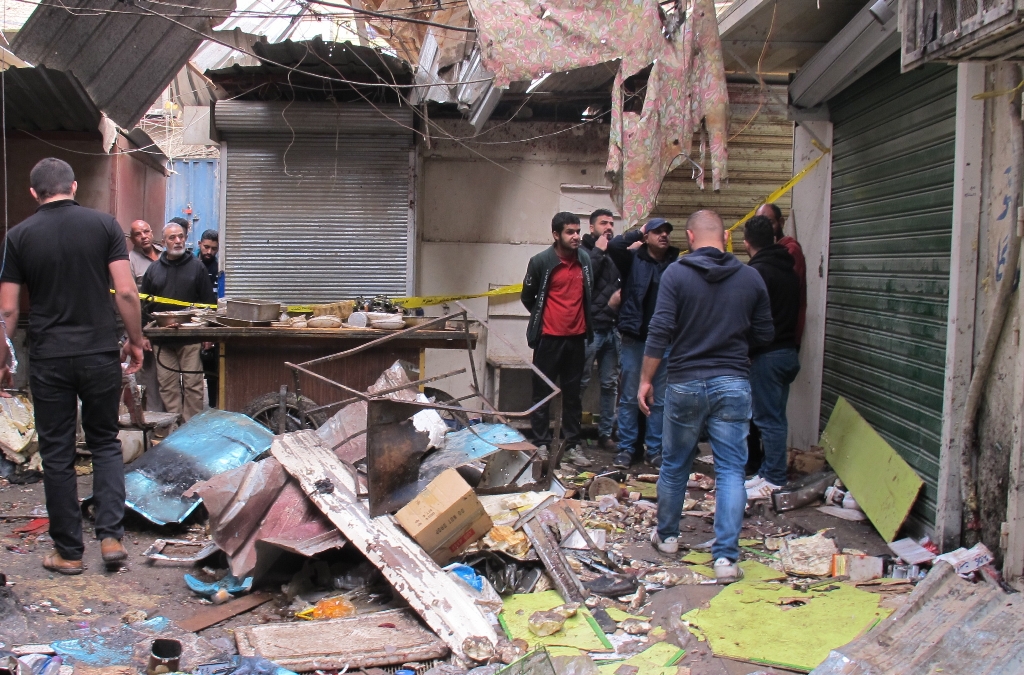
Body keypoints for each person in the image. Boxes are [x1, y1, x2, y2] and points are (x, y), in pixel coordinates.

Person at [0, 158, 146, 575]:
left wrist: (3, 360)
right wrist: (135, 341)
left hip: (49, 359)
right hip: (100, 353)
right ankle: (111, 538)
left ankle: (69, 552)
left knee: (58, 453)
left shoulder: (18, 237)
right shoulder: (104, 226)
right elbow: (127, 292)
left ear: (34, 193)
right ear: (74, 186)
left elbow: (7, 311)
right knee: (104, 443)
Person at [641, 210, 773, 584]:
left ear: (690, 236)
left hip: (683, 382)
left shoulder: (676, 274)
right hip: (732, 382)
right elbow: (764, 334)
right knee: (731, 470)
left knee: (675, 463)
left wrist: (645, 381)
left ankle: (667, 538)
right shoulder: (751, 278)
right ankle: (726, 560)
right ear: (727, 237)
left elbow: (660, 330)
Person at [521, 212, 594, 467]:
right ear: (556, 235)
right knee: (542, 394)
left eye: (577, 231)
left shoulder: (584, 260)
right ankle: (540, 444)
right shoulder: (541, 261)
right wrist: (546, 319)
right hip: (549, 339)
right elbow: (528, 297)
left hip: (576, 340)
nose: (576, 237)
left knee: (573, 396)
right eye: (570, 232)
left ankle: (573, 446)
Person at [607, 218, 680, 469]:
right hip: (635, 338)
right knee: (628, 397)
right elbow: (615, 245)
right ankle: (627, 448)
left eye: (666, 232)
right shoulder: (633, 260)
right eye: (657, 231)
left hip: (664, 342)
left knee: (658, 399)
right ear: (647, 236)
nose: (664, 235)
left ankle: (655, 450)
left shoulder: (675, 264)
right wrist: (639, 230)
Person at [742, 216, 802, 499]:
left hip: (768, 355)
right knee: (774, 417)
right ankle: (767, 472)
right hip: (787, 351)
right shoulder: (787, 268)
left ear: (746, 243)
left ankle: (774, 478)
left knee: (769, 420)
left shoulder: (757, 273)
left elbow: (750, 318)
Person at [141, 221, 216, 421]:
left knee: (193, 385)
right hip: (161, 339)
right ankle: (174, 429)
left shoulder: (197, 268)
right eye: (172, 238)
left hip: (190, 338)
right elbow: (144, 305)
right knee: (167, 386)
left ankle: (191, 430)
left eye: (180, 236)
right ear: (163, 241)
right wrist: (143, 334)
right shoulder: (153, 270)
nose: (177, 241)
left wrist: (208, 334)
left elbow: (209, 304)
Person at [580, 209, 621, 452]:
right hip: (590, 330)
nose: (608, 227)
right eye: (603, 223)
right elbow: (585, 281)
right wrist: (599, 252)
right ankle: (570, 435)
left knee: (610, 384)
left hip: (612, 330)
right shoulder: (584, 252)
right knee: (581, 382)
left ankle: (605, 434)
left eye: (611, 223)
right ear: (591, 226)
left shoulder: (617, 252)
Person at [756, 203, 805, 340]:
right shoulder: (766, 253)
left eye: (770, 223)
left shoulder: (790, 250)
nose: (764, 229)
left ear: (781, 222)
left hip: (782, 334)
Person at [196, 229, 220, 407]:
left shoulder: (219, 266)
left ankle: (213, 406)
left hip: (214, 322)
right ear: (199, 244)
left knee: (212, 369)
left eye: (213, 248)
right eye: (206, 247)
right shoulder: (192, 265)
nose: (209, 252)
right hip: (194, 322)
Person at [128, 220, 163, 288]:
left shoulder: (164, 253)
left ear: (151, 233)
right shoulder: (129, 261)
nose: (144, 236)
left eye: (146, 232)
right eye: (138, 234)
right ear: (132, 239)